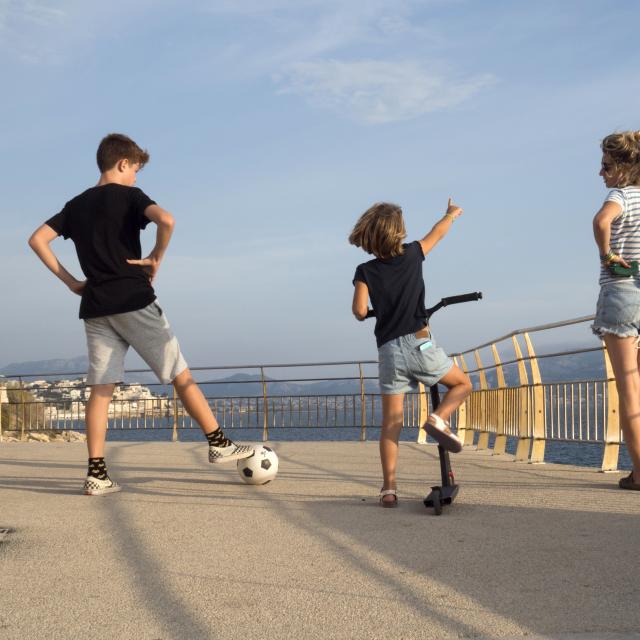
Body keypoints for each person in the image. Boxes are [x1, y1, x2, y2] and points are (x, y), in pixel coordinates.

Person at [28, 133, 253, 496]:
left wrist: (71, 282)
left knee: (100, 392)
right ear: (122, 163)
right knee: (181, 374)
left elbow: (37, 239)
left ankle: (97, 474)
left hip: (96, 307)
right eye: (135, 169)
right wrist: (156, 256)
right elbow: (167, 220)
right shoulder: (130, 196)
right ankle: (218, 443)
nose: (136, 177)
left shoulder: (75, 205)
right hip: (133, 299)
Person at [349, 200, 473, 507]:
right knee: (462, 384)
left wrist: (371, 313)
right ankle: (438, 418)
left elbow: (359, 311)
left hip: (389, 351)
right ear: (399, 232)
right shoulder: (414, 253)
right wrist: (450, 214)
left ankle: (388, 489)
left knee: (391, 422)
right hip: (420, 344)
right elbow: (438, 233)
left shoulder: (365, 271)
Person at [592, 130, 640, 491]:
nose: (601, 173)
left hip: (622, 293)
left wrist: (607, 255)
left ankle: (639, 472)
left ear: (625, 167)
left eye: (607, 166)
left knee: (629, 389)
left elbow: (601, 221)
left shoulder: (620, 195)